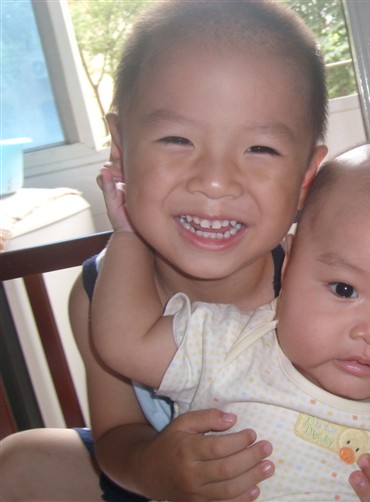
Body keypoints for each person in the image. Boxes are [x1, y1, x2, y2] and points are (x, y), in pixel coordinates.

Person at [0, 1, 327, 500]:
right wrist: (153, 469)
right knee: (19, 460)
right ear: (120, 149)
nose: (215, 181)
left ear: (305, 177)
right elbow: (116, 437)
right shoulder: (97, 294)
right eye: (177, 139)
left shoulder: (322, 286)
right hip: (159, 476)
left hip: (296, 472)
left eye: (260, 148)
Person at [92, 142, 370, 500]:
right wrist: (128, 236)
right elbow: (124, 342)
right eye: (344, 290)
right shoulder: (230, 345)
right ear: (289, 265)